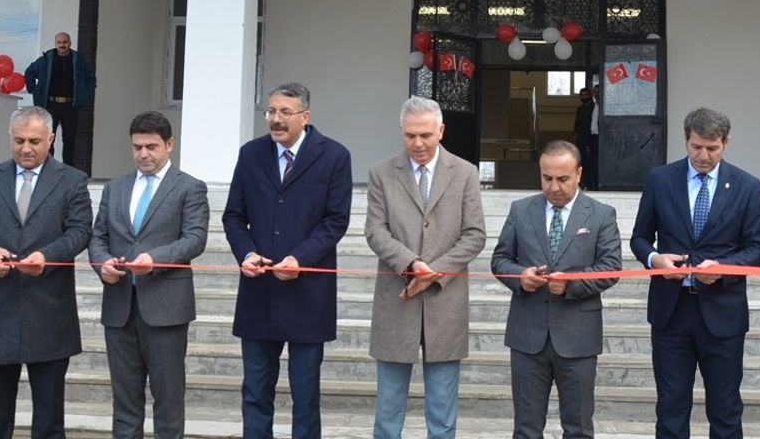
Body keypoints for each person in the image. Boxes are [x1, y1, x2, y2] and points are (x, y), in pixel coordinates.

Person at [0, 106, 93, 439]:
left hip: (50, 312)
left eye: (34, 141)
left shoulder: (72, 180)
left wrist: (48, 255)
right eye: (18, 141)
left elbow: (80, 231)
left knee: (48, 421)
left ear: (51, 139)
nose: (26, 149)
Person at [222, 83, 353, 439]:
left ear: (305, 117)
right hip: (258, 290)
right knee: (255, 392)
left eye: (284, 112)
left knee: (306, 395)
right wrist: (246, 253)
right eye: (271, 112)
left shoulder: (334, 156)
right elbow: (233, 216)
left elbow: (335, 221)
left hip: (308, 291)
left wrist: (300, 258)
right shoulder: (251, 154)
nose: (276, 120)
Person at [629, 107, 760, 439]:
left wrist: (722, 270)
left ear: (726, 143)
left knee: (725, 409)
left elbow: (757, 249)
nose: (703, 156)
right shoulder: (661, 179)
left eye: (712, 148)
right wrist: (654, 259)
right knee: (671, 408)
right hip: (671, 312)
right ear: (685, 140)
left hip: (722, 314)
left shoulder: (747, 185)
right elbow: (639, 237)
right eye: (696, 147)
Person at [364, 96, 486, 439]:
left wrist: (433, 272)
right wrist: (411, 264)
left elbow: (475, 235)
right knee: (388, 412)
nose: (418, 143)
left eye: (426, 135)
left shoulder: (464, 173)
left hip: (444, 302)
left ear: (441, 131)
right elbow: (375, 230)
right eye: (410, 135)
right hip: (396, 299)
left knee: (442, 413)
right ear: (401, 132)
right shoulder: (382, 173)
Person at [88, 111, 209, 439]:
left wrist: (153, 260)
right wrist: (103, 265)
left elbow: (195, 239)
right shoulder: (115, 188)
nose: (143, 154)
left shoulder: (190, 188)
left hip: (166, 308)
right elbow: (97, 237)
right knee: (124, 401)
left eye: (151, 147)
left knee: (168, 401)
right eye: (137, 147)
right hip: (119, 306)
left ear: (169, 145)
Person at [491, 140, 622, 439]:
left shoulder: (601, 214)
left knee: (577, 429)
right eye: (546, 178)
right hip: (527, 336)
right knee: (525, 429)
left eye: (562, 179)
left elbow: (611, 267)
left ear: (578, 174)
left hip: (578, 337)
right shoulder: (521, 210)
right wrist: (519, 276)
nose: (553, 187)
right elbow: (500, 260)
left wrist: (572, 283)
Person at [23, 31, 96, 171]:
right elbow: (29, 72)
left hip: (70, 106)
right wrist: (33, 89)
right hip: (50, 105)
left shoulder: (78, 60)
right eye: (59, 42)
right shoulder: (46, 59)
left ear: (70, 43)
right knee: (48, 139)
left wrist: (85, 95)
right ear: (55, 43)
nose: (62, 45)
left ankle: (68, 171)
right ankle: (48, 169)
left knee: (69, 140)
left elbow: (91, 79)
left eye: (65, 42)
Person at [573, 87, 596, 190]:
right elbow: (577, 126)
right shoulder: (580, 109)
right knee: (580, 164)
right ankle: (583, 184)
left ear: (590, 96)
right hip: (580, 141)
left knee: (590, 165)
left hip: (590, 141)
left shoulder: (594, 108)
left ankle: (591, 186)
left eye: (585, 95)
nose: (583, 97)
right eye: (581, 95)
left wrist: (588, 143)